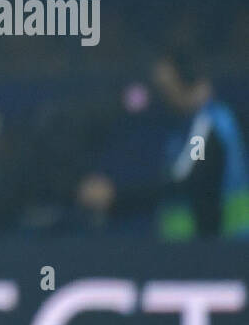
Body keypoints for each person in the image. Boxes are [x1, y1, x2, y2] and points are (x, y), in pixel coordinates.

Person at [78, 43, 249, 238]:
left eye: (168, 88)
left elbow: (185, 182)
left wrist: (116, 197)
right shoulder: (187, 128)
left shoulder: (205, 126)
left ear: (193, 84)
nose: (166, 97)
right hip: (196, 250)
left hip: (225, 250)